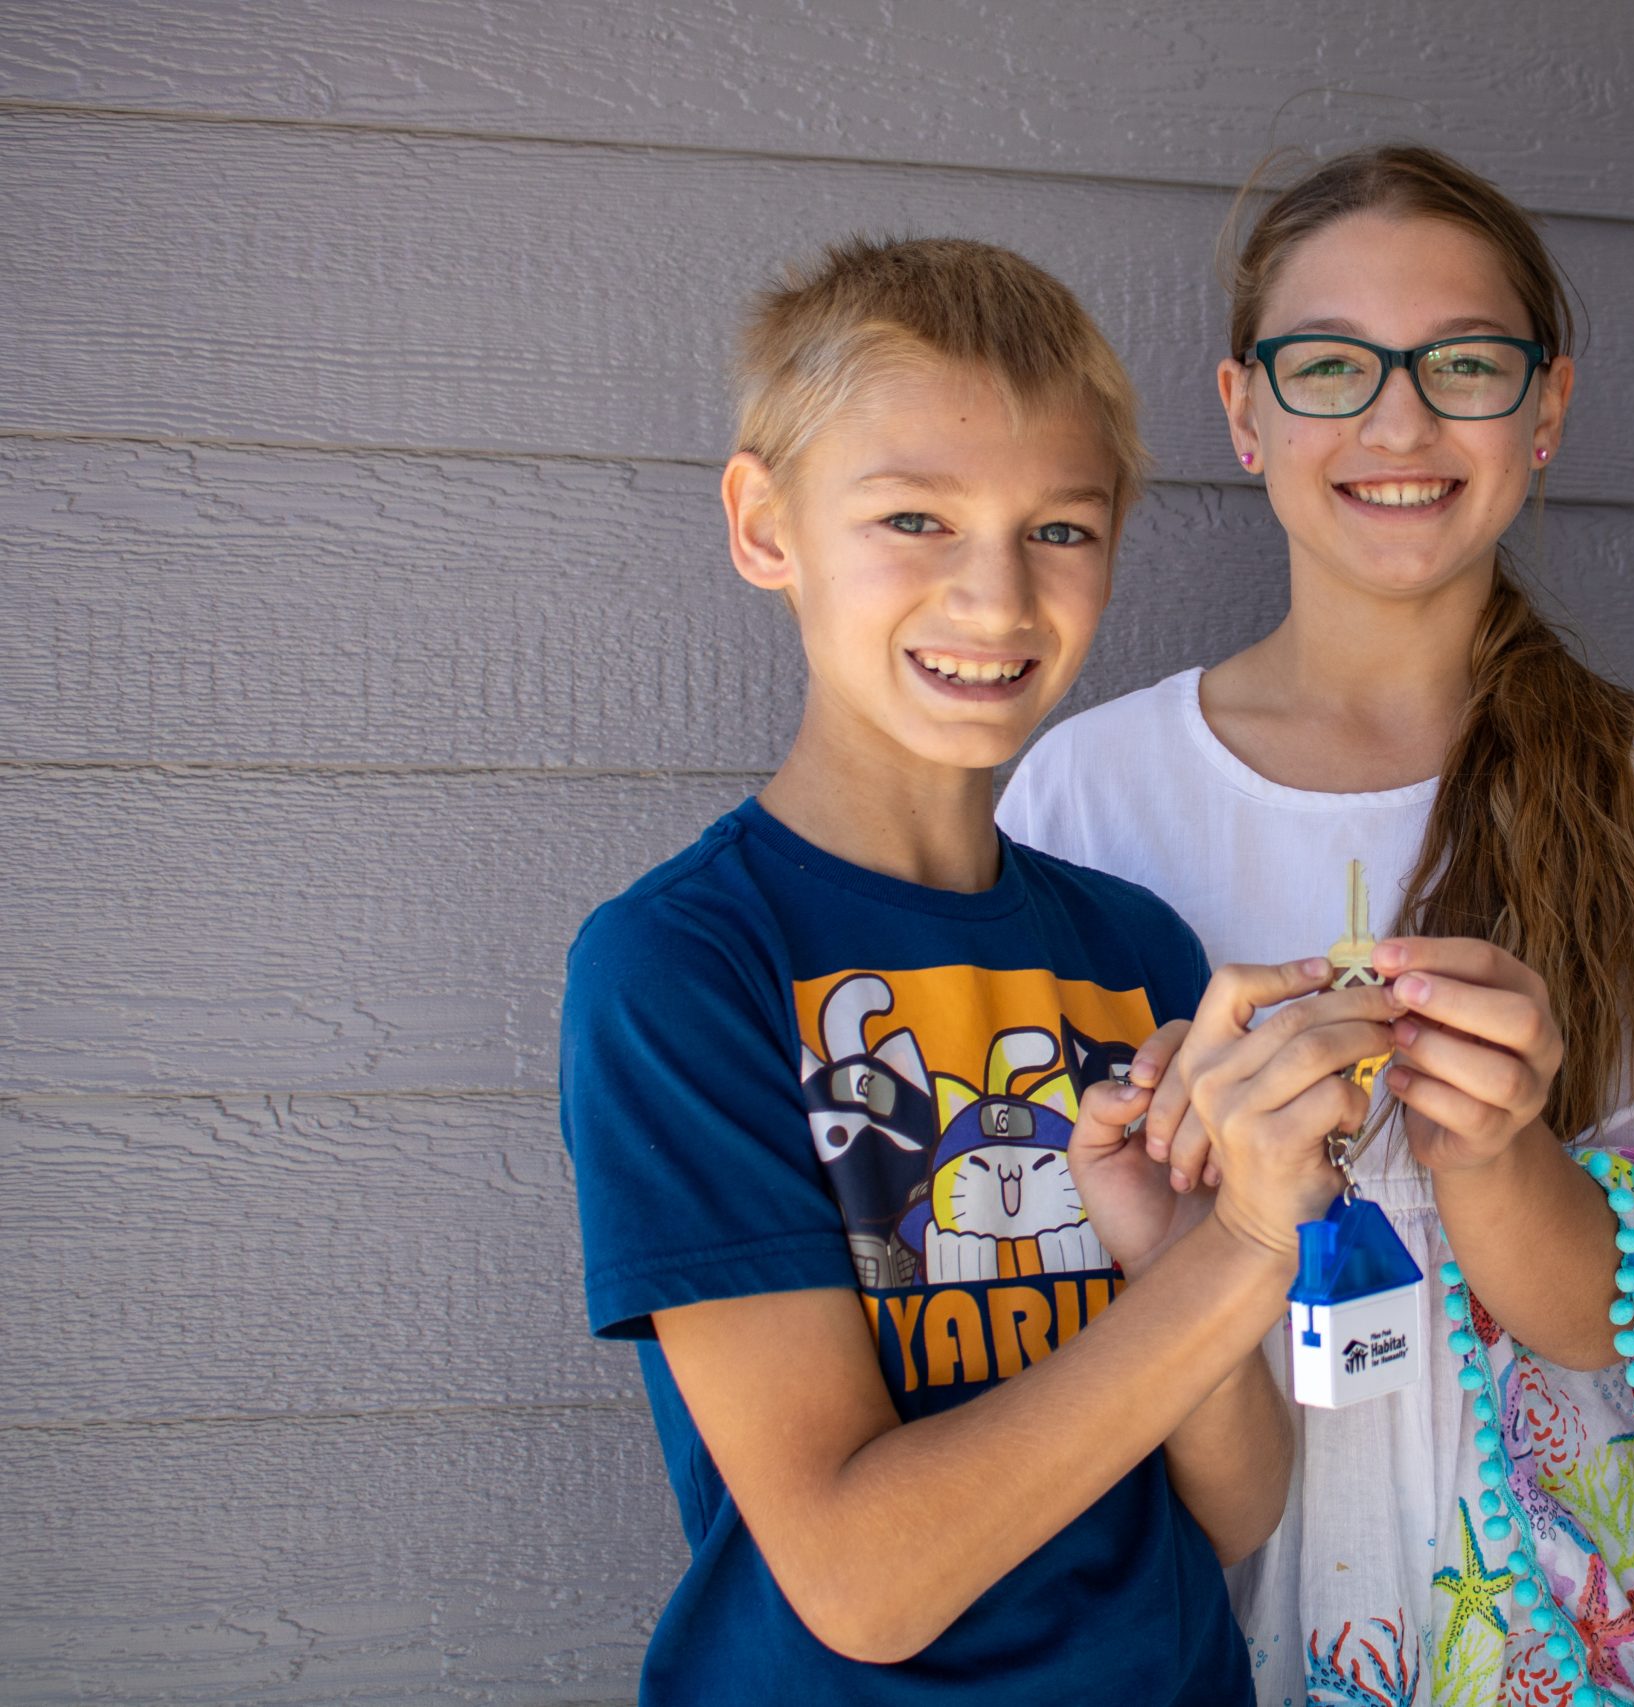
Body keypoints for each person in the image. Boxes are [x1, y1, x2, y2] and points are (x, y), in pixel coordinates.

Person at [558, 235, 1394, 1703]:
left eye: (1059, 531)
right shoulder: (685, 968)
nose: (998, 599)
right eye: (915, 520)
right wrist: (1247, 1252)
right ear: (766, 527)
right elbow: (862, 1583)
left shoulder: (1132, 949)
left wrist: (1183, 1242)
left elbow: (1241, 1502)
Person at [998, 146, 1634, 1706]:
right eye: (1332, 365)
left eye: (1466, 364)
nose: (1400, 419)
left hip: (1523, 1634)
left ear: (1543, 411)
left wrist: (1499, 1152)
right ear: (1245, 411)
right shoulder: (1090, 793)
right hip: (1190, 1594)